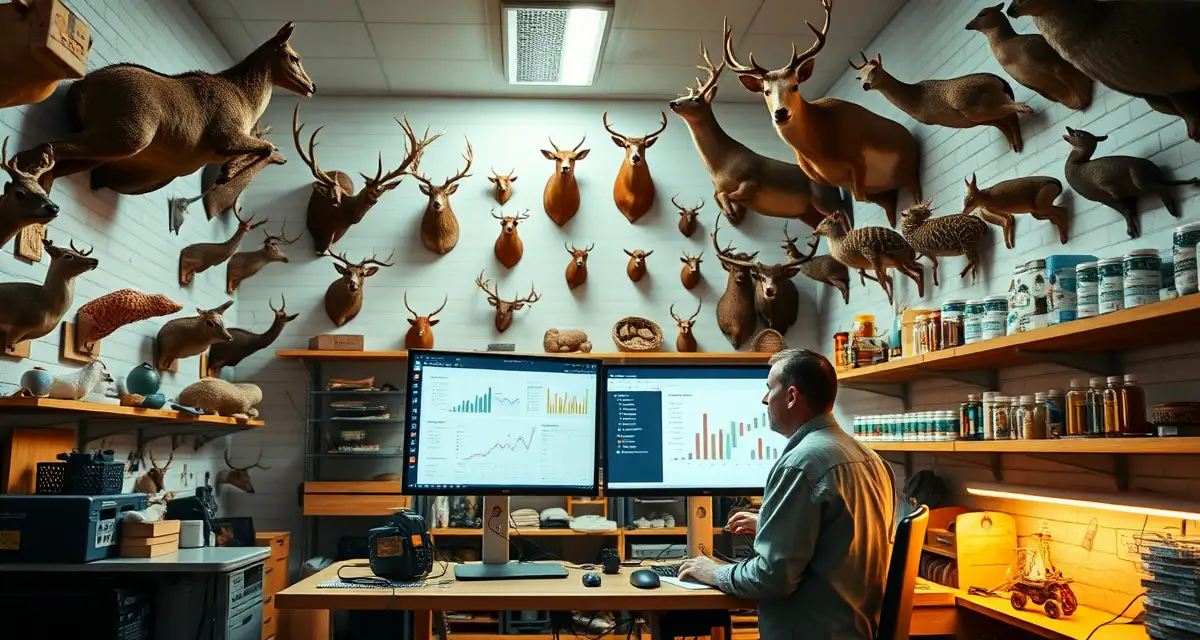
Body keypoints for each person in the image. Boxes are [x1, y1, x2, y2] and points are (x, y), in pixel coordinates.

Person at [678, 348, 896, 639]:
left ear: (792, 396)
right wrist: (770, 524)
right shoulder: (870, 457)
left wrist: (712, 572)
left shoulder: (800, 465)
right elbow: (842, 538)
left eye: (770, 388)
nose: (764, 399)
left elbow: (771, 579)